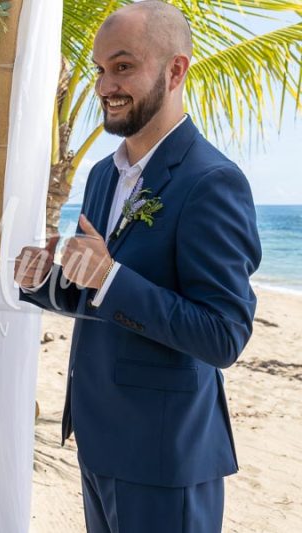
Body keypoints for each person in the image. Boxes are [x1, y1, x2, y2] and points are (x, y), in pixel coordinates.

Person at [15, 2, 261, 532]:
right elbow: (101, 299)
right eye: (101, 69)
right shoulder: (105, 174)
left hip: (164, 455)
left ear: (175, 70)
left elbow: (224, 335)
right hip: (98, 437)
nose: (105, 85)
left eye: (123, 66)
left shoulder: (212, 181)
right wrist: (45, 284)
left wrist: (110, 276)